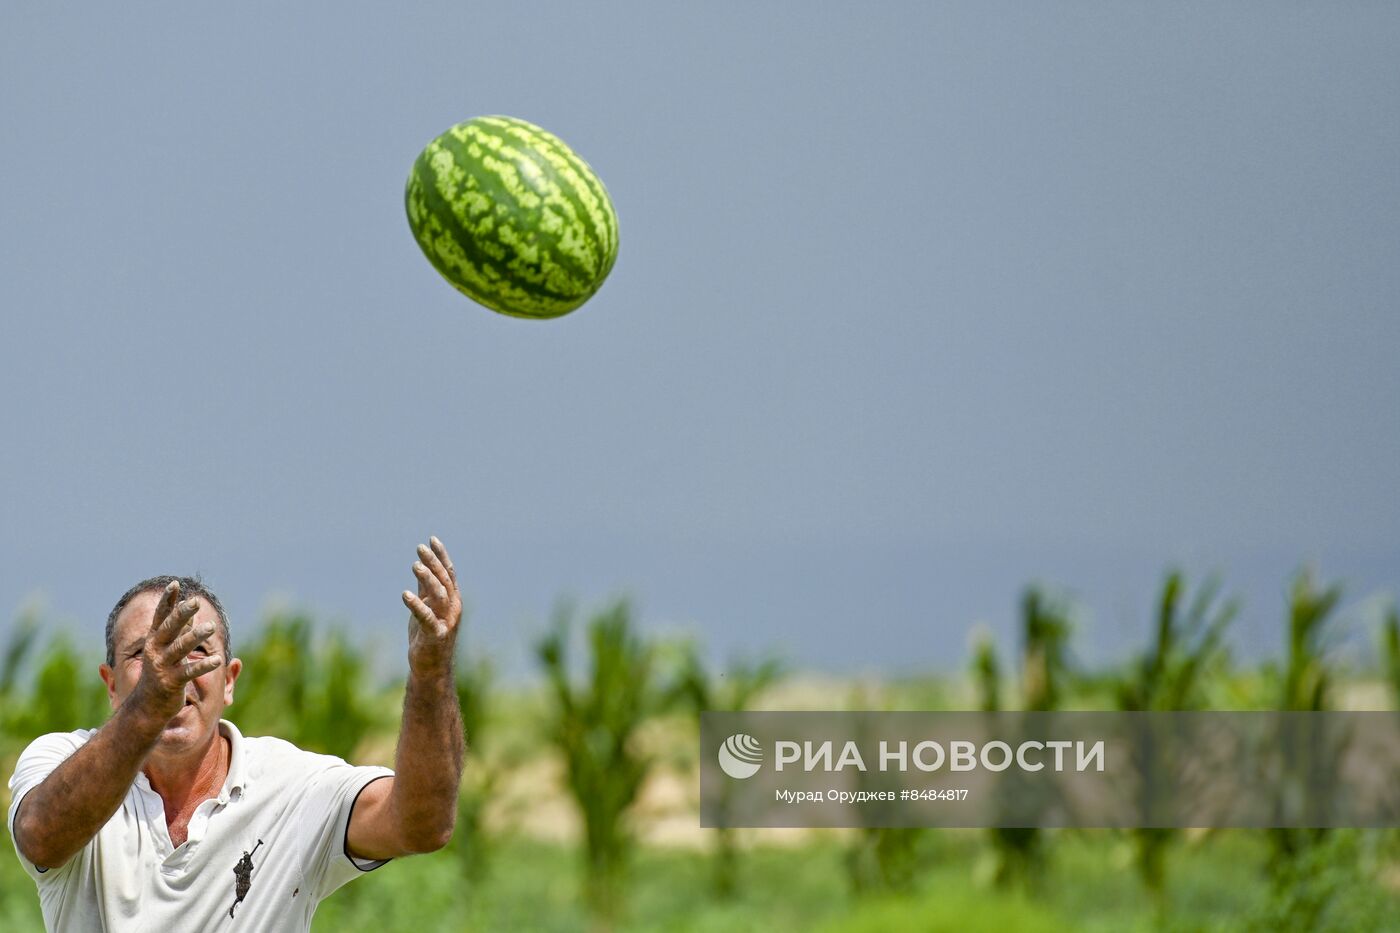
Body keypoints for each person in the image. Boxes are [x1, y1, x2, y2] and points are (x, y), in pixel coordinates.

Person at [6, 537, 466, 932]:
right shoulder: (60, 759)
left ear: (229, 680)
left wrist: (430, 674)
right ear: (111, 684)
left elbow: (422, 825)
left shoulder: (295, 787)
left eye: (196, 651)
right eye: (144, 655)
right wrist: (148, 707)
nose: (173, 673)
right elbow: (42, 838)